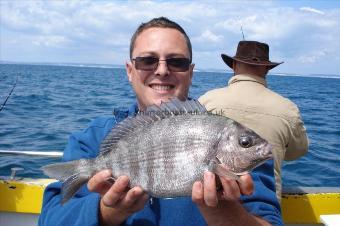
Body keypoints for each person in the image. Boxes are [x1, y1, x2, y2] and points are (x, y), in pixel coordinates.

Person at [39, 18, 282, 226]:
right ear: (129, 70)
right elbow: (50, 219)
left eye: (177, 62)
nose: (162, 70)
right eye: (147, 60)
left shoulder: (242, 152)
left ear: (191, 71)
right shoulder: (91, 139)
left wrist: (226, 214)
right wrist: (108, 212)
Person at [199, 40, 309, 200]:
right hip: (266, 208)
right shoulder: (288, 109)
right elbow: (296, 152)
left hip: (213, 205)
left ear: (234, 65)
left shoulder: (206, 101)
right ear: (266, 69)